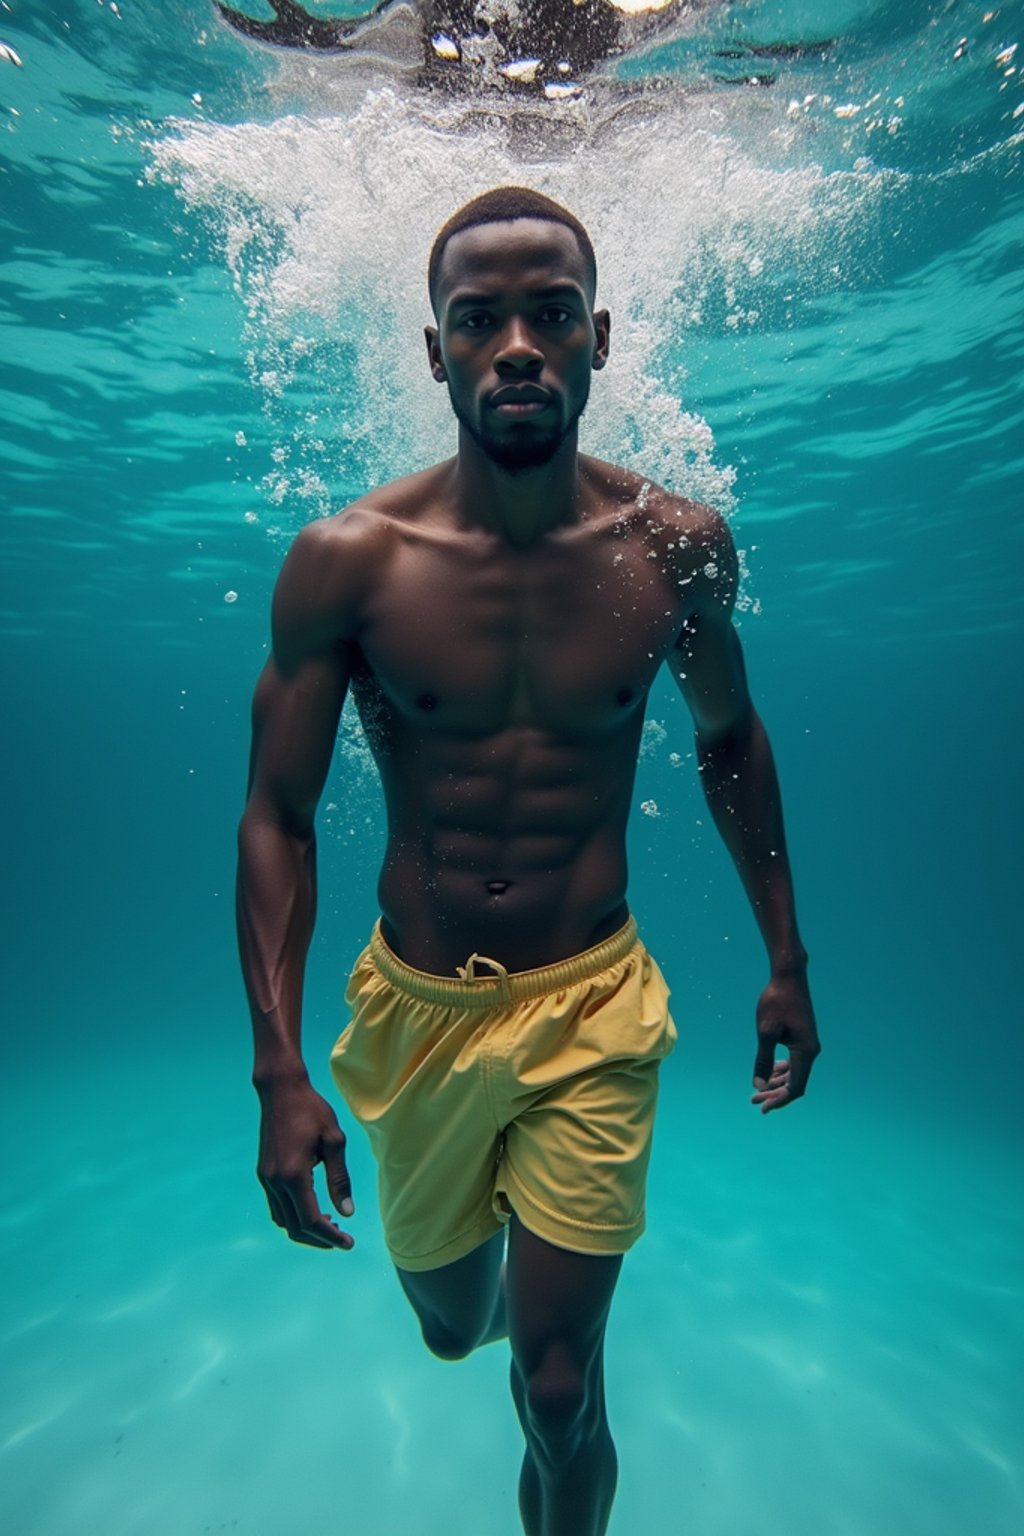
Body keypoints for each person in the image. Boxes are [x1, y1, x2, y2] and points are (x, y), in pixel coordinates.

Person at [236, 185, 820, 1536]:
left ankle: (567, 1310)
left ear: (598, 337)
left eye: (550, 316)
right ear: (432, 352)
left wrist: (787, 957)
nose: (516, 347)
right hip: (419, 1013)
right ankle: (522, 1271)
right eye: (478, 319)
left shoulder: (674, 550)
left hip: (593, 1004)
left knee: (557, 1394)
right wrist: (277, 1070)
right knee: (455, 1334)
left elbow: (730, 742)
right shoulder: (350, 564)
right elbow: (278, 811)